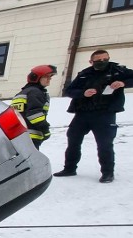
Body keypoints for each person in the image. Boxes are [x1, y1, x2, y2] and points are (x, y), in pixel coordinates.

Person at [54, 50, 133, 183]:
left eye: (105, 59)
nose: (102, 62)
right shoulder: (85, 74)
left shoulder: (118, 71)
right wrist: (83, 93)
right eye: (98, 61)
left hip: (105, 114)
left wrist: (123, 83)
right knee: (73, 140)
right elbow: (69, 91)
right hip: (83, 113)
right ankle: (69, 168)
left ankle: (108, 173)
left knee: (104, 144)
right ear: (91, 62)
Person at [11, 64, 56, 149]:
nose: (49, 79)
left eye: (50, 77)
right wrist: (45, 129)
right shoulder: (35, 92)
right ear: (37, 78)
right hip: (31, 135)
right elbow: (34, 115)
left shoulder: (23, 92)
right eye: (46, 76)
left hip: (20, 135)